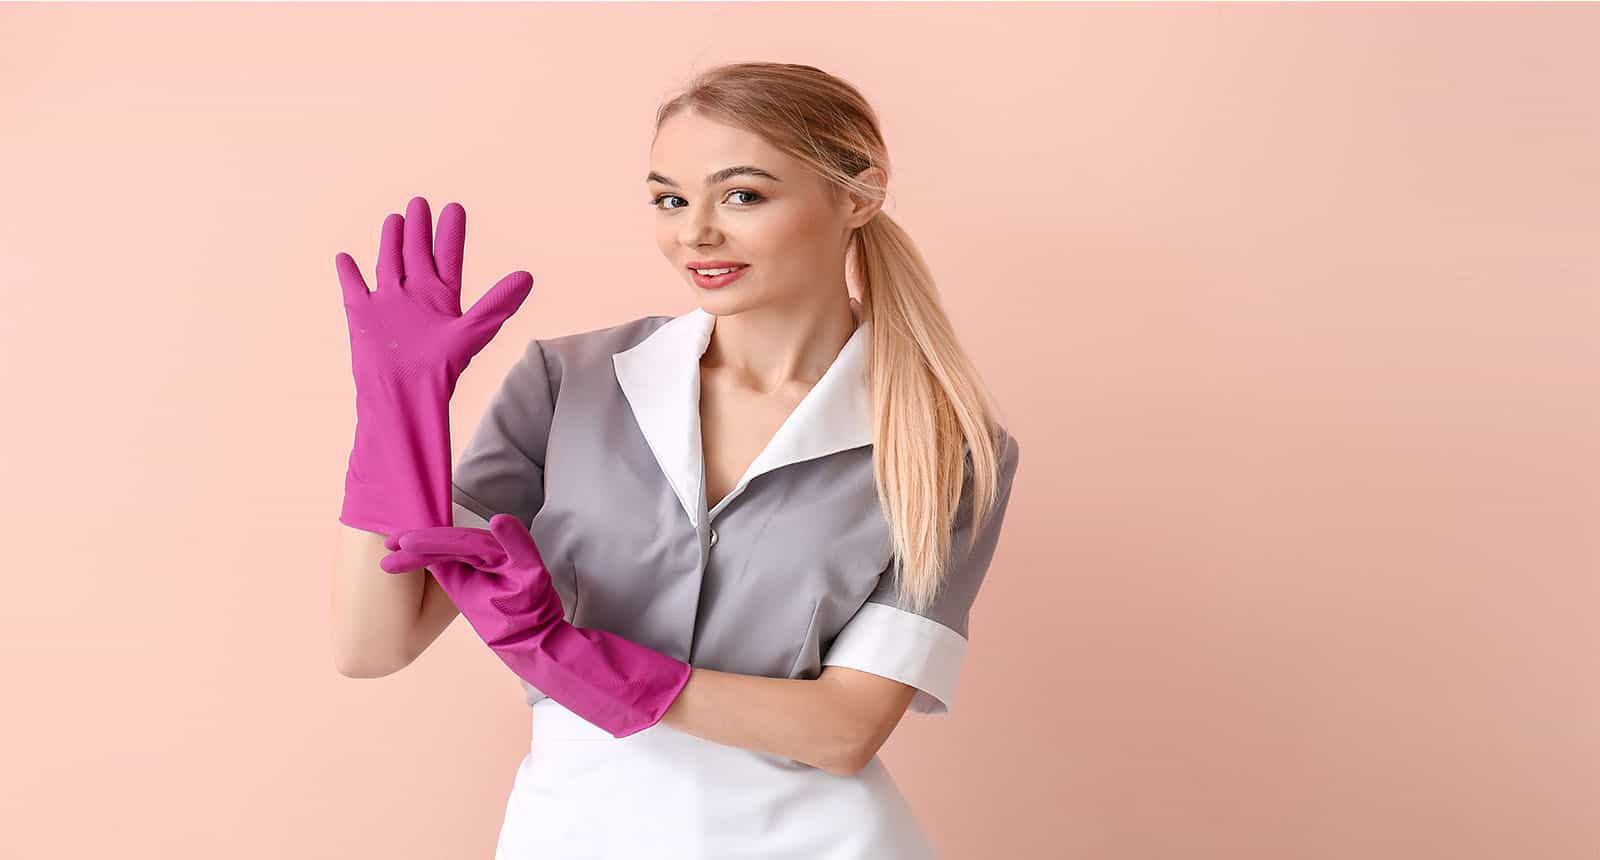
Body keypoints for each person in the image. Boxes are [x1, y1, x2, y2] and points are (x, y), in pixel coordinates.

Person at [331, 61, 1021, 859]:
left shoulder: (945, 446)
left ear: (859, 194)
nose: (695, 233)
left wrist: (565, 653)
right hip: (575, 833)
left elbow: (843, 731)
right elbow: (372, 646)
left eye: (743, 195)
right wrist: (393, 416)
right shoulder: (570, 384)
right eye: (670, 199)